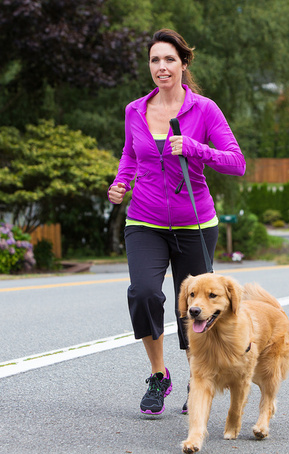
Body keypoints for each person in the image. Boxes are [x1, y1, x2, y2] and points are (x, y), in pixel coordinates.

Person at [108, 29, 245, 416]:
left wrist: (196, 148)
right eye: (155, 60)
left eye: (169, 60)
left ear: (183, 64)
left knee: (196, 307)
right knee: (144, 293)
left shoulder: (205, 110)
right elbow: (130, 158)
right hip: (144, 220)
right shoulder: (135, 110)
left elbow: (237, 162)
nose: (161, 67)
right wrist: (120, 184)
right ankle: (158, 375)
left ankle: (196, 376)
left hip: (196, 224)